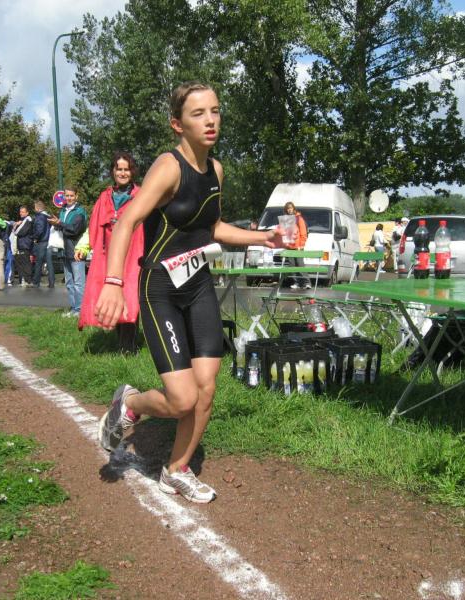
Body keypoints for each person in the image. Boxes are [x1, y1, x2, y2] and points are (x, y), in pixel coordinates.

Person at [95, 81, 284, 503]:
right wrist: (113, 282)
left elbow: (211, 227)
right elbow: (127, 221)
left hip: (198, 284)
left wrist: (263, 237)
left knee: (207, 389)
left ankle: (177, 470)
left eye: (215, 111)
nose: (211, 120)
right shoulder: (168, 167)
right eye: (198, 114)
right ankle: (131, 405)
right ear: (177, 124)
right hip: (160, 288)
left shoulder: (216, 170)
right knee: (182, 399)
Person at [75, 151, 144, 353]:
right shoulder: (104, 197)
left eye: (126, 169)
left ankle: (128, 346)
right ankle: (120, 342)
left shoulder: (141, 196)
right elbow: (93, 226)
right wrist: (83, 246)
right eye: (119, 169)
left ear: (132, 171)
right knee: (111, 295)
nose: (123, 173)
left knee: (130, 296)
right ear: (113, 171)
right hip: (107, 257)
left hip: (133, 256)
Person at [48, 187, 88, 317]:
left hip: (77, 251)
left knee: (78, 283)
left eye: (71, 196)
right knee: (69, 283)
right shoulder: (63, 210)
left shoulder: (80, 212)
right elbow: (64, 228)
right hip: (65, 250)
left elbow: (74, 230)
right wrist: (56, 224)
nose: (69, 198)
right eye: (67, 196)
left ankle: (80, 310)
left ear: (76, 196)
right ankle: (74, 308)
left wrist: (60, 223)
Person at [282, 201, 310, 290]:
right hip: (289, 246)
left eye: (291, 208)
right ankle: (297, 282)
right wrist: (285, 244)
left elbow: (303, 232)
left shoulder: (298, 218)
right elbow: (284, 233)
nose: (289, 210)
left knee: (300, 264)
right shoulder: (285, 219)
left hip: (298, 246)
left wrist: (301, 245)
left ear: (294, 209)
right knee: (292, 266)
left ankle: (306, 282)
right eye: (288, 208)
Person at [31, 200, 55, 288]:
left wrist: (35, 238)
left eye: (35, 207)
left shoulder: (40, 217)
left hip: (42, 241)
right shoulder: (48, 216)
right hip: (49, 241)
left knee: (38, 262)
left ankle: (36, 282)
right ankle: (51, 282)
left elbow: (39, 229)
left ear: (37, 208)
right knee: (49, 262)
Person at [13, 206, 34, 286]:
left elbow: (19, 232)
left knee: (25, 262)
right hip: (22, 244)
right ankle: (24, 280)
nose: (21, 213)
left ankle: (28, 281)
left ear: (27, 213)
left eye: (23, 212)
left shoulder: (27, 220)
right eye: (20, 212)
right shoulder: (23, 220)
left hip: (25, 244)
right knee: (21, 262)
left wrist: (15, 225)